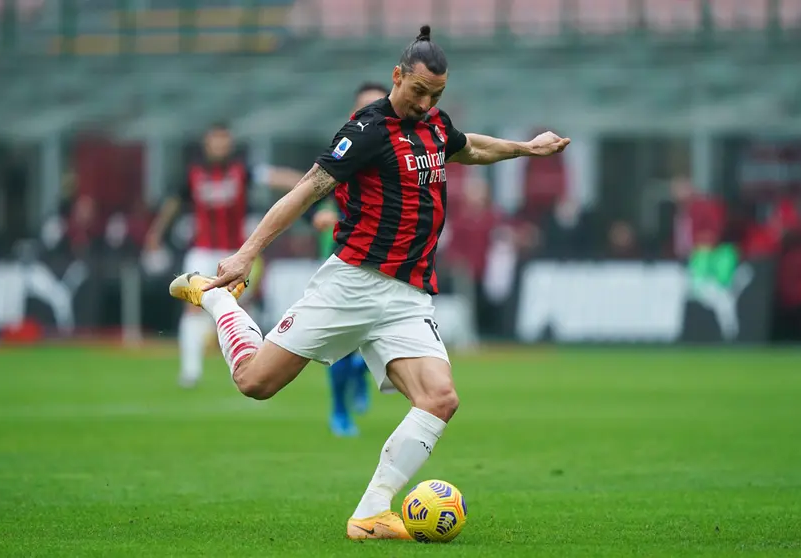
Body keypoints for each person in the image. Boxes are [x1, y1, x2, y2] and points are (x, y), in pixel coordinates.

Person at [169, 25, 569, 540]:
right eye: (419, 91)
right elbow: (307, 190)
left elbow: (469, 148)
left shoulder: (435, 125)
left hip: (407, 295)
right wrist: (247, 255)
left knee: (440, 398)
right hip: (351, 285)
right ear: (396, 77)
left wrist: (526, 149)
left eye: (437, 95)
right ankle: (218, 299)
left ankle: (371, 513)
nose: (426, 103)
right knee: (254, 383)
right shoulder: (366, 130)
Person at [146, 121, 301, 388]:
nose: (220, 145)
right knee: (193, 308)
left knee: (242, 309)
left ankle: (251, 368)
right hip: (202, 252)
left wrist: (312, 181)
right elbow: (172, 204)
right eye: (216, 139)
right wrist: (155, 234)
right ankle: (190, 371)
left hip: (236, 253)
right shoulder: (191, 174)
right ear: (207, 143)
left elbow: (275, 176)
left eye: (224, 139)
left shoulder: (243, 170)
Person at [312, 82, 391, 437]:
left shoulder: (403, 152)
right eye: (365, 107)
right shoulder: (345, 147)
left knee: (383, 345)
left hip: (391, 267)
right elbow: (320, 192)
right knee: (340, 347)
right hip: (347, 262)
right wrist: (325, 216)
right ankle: (339, 411)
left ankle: (362, 372)